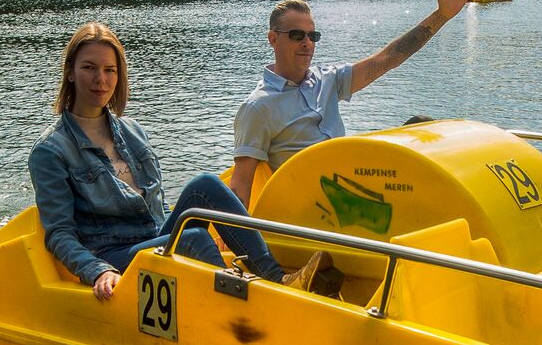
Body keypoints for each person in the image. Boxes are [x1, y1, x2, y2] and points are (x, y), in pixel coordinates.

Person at [30, 22, 330, 301]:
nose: (101, 79)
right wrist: (97, 270)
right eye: (89, 68)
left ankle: (277, 279)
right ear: (70, 72)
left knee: (205, 185)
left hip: (152, 235)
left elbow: (156, 205)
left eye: (110, 70)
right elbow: (59, 234)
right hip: (113, 253)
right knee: (194, 237)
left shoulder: (132, 132)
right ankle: (243, 308)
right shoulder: (51, 150)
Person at [229, 0, 481, 199]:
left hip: (353, 184)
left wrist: (442, 15)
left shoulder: (327, 80)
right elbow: (241, 186)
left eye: (312, 35)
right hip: (317, 208)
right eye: (296, 35)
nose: (307, 43)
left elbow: (388, 58)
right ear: (273, 39)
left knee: (421, 126)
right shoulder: (258, 107)